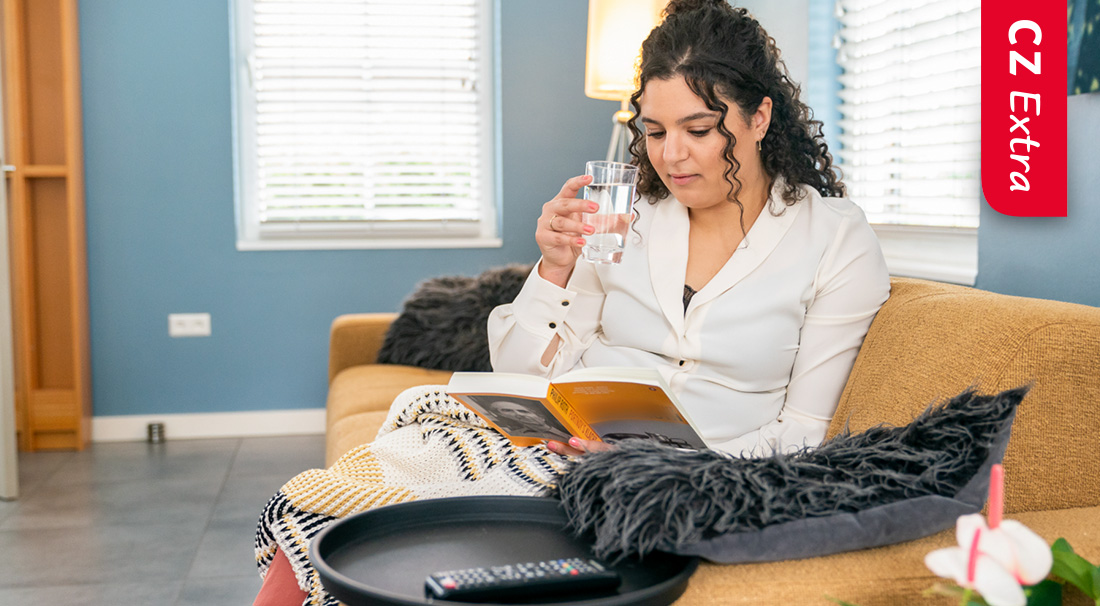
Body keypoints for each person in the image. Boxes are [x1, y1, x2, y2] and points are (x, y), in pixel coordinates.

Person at [487, 0, 890, 458]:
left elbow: (804, 433)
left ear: (759, 118)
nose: (670, 156)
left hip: (700, 483)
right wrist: (554, 271)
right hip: (560, 452)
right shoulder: (621, 215)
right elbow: (518, 384)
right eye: (655, 133)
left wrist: (652, 465)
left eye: (698, 131)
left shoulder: (834, 239)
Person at [468, 396, 574, 441]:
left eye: (523, 411)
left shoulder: (562, 422)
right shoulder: (520, 435)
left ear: (538, 414)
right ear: (499, 415)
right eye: (507, 411)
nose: (519, 415)